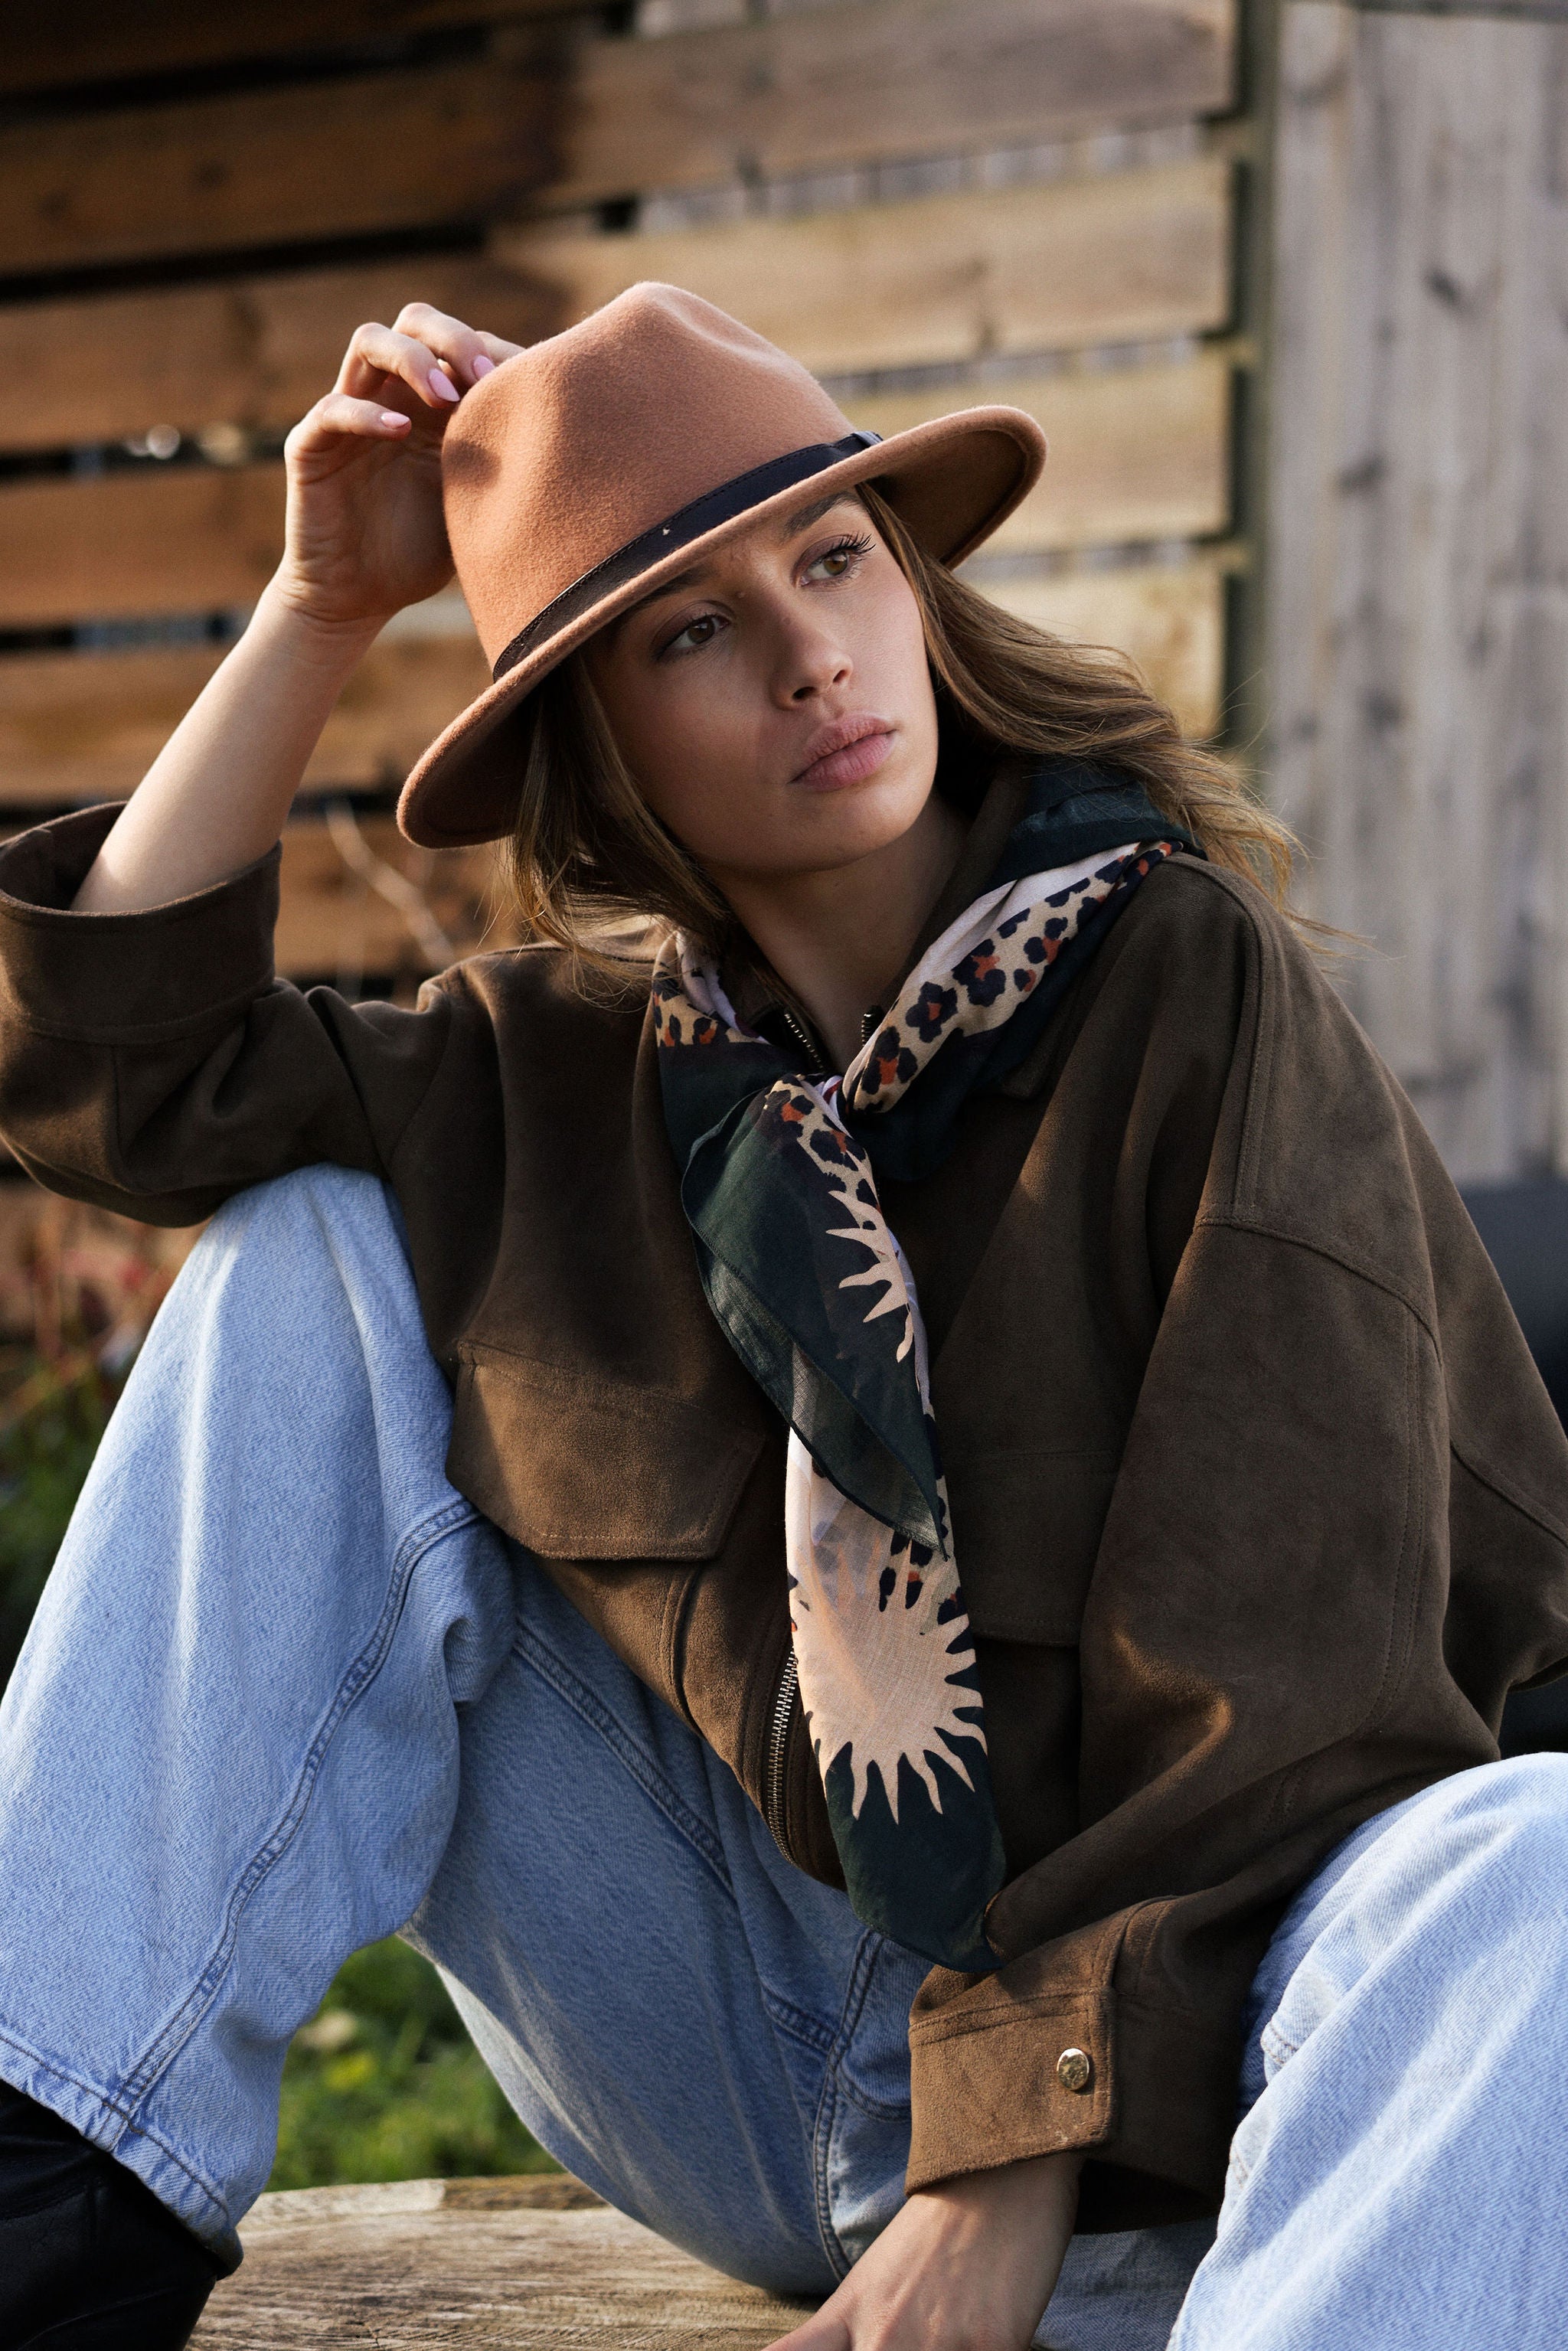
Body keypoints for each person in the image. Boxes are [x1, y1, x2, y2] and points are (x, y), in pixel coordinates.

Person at [0, 282, 1566, 2351]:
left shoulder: (1187, 989)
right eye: (691, 632)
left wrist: (1007, 2159)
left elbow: (1290, 1674)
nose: (811, 652)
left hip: (1198, 2125)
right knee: (308, 1248)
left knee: (1543, 1853)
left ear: (914, 584)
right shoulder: (551, 1077)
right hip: (761, 2054)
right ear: (601, 740)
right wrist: (316, 606)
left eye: (832, 559)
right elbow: (120, 1082)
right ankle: (47, 2214)